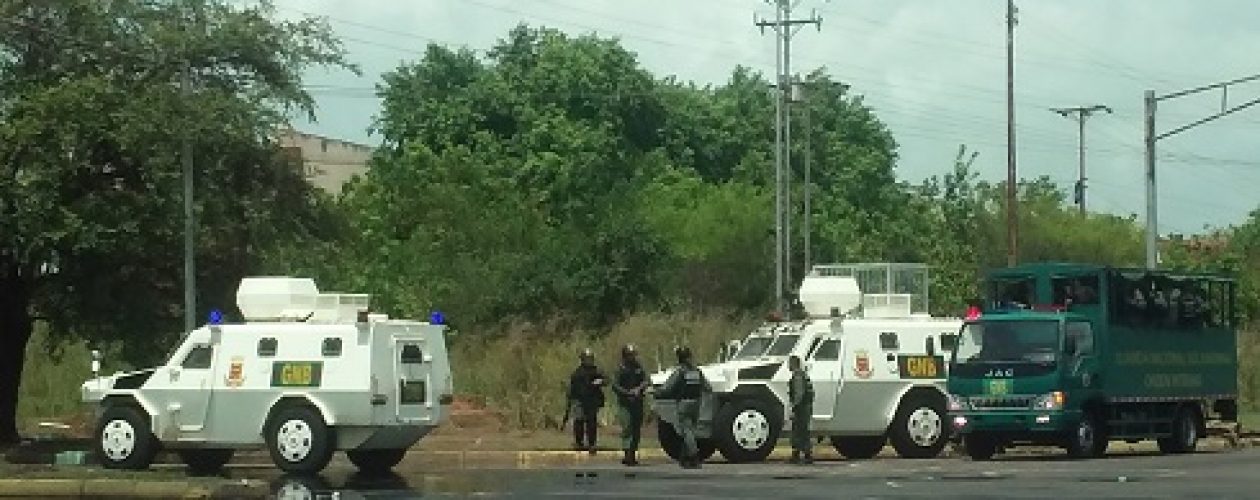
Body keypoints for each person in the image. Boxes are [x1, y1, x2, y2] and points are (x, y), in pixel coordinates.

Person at [656, 346, 711, 469]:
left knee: (686, 431)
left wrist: (655, 392)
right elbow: (707, 387)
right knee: (690, 431)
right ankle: (684, 459)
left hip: (684, 404)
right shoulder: (697, 371)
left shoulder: (680, 372)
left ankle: (695, 456)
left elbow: (668, 388)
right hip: (697, 404)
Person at [612, 344, 649, 466]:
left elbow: (647, 380)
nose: (633, 357)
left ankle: (632, 452)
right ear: (625, 356)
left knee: (636, 428)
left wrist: (639, 389)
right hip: (625, 403)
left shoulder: (638, 367)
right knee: (627, 427)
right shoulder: (620, 369)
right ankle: (627, 453)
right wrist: (627, 393)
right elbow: (615, 385)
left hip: (637, 401)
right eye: (630, 355)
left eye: (633, 355)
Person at [567, 348, 606, 455]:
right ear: (582, 359)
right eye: (587, 359)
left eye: (590, 359)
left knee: (591, 422)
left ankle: (592, 444)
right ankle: (579, 443)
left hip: (592, 401)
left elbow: (605, 379)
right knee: (579, 421)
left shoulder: (596, 370)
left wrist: (601, 381)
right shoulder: (578, 373)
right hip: (579, 400)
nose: (589, 361)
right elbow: (575, 388)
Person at [787, 355, 814, 464]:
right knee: (802, 430)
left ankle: (804, 455)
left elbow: (799, 393)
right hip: (805, 406)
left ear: (794, 364)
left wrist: (794, 406)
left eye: (789, 363)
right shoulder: (802, 374)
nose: (788, 366)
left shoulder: (797, 376)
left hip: (801, 407)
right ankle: (801, 454)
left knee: (799, 431)